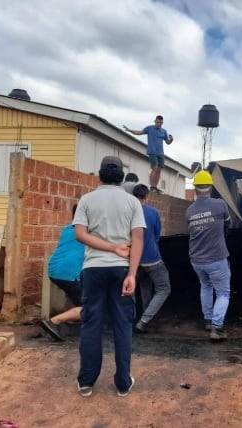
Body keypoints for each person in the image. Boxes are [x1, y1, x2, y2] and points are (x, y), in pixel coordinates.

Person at [74, 155, 144, 398]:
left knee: (91, 324)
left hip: (93, 269)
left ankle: (86, 382)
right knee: (122, 325)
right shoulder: (132, 202)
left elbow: (80, 235)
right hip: (121, 269)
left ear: (99, 175)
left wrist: (107, 248)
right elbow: (138, 239)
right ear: (122, 177)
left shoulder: (87, 200)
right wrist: (132, 274)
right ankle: (123, 383)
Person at [187, 170, 231, 341]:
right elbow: (228, 223)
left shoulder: (189, 211)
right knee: (223, 293)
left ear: (195, 189)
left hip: (196, 260)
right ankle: (217, 327)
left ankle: (208, 320)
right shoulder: (220, 205)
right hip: (216, 259)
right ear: (211, 188)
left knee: (206, 286)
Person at [39, 204, 85, 342]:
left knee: (80, 296)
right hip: (68, 274)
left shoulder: (67, 228)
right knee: (92, 307)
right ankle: (54, 322)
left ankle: (74, 318)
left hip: (54, 270)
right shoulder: (86, 232)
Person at [131, 184, 171, 333]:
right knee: (164, 288)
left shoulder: (128, 213)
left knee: (144, 286)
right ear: (146, 197)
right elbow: (157, 236)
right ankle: (145, 320)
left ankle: (143, 318)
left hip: (134, 260)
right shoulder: (153, 212)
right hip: (152, 258)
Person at [123, 115, 174, 193]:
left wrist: (171, 139)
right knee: (155, 168)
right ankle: (152, 187)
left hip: (161, 153)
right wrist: (130, 130)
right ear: (155, 121)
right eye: (157, 122)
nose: (158, 124)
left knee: (159, 170)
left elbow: (167, 142)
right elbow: (140, 132)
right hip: (152, 152)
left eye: (160, 123)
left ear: (162, 123)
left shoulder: (164, 131)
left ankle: (155, 187)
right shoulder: (150, 128)